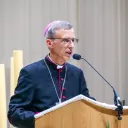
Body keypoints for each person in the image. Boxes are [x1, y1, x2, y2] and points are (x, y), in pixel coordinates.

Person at [8, 20, 95, 128]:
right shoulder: (30, 73)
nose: (71, 45)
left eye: (73, 40)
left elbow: (86, 106)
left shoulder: (77, 74)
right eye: (66, 40)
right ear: (50, 43)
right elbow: (14, 113)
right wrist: (43, 119)